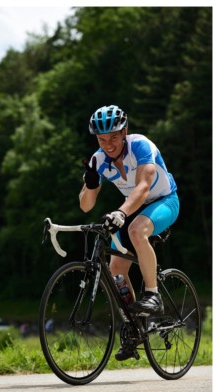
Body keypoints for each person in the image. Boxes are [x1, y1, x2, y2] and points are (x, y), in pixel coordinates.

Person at [79, 105, 180, 360]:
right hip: (132, 208)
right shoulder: (98, 159)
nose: (108, 144)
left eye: (113, 136)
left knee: (136, 230)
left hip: (164, 201)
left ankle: (153, 294)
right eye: (102, 139)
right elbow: (85, 205)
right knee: (116, 269)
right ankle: (134, 328)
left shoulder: (141, 146)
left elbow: (144, 187)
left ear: (124, 131)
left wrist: (121, 213)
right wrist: (91, 184)